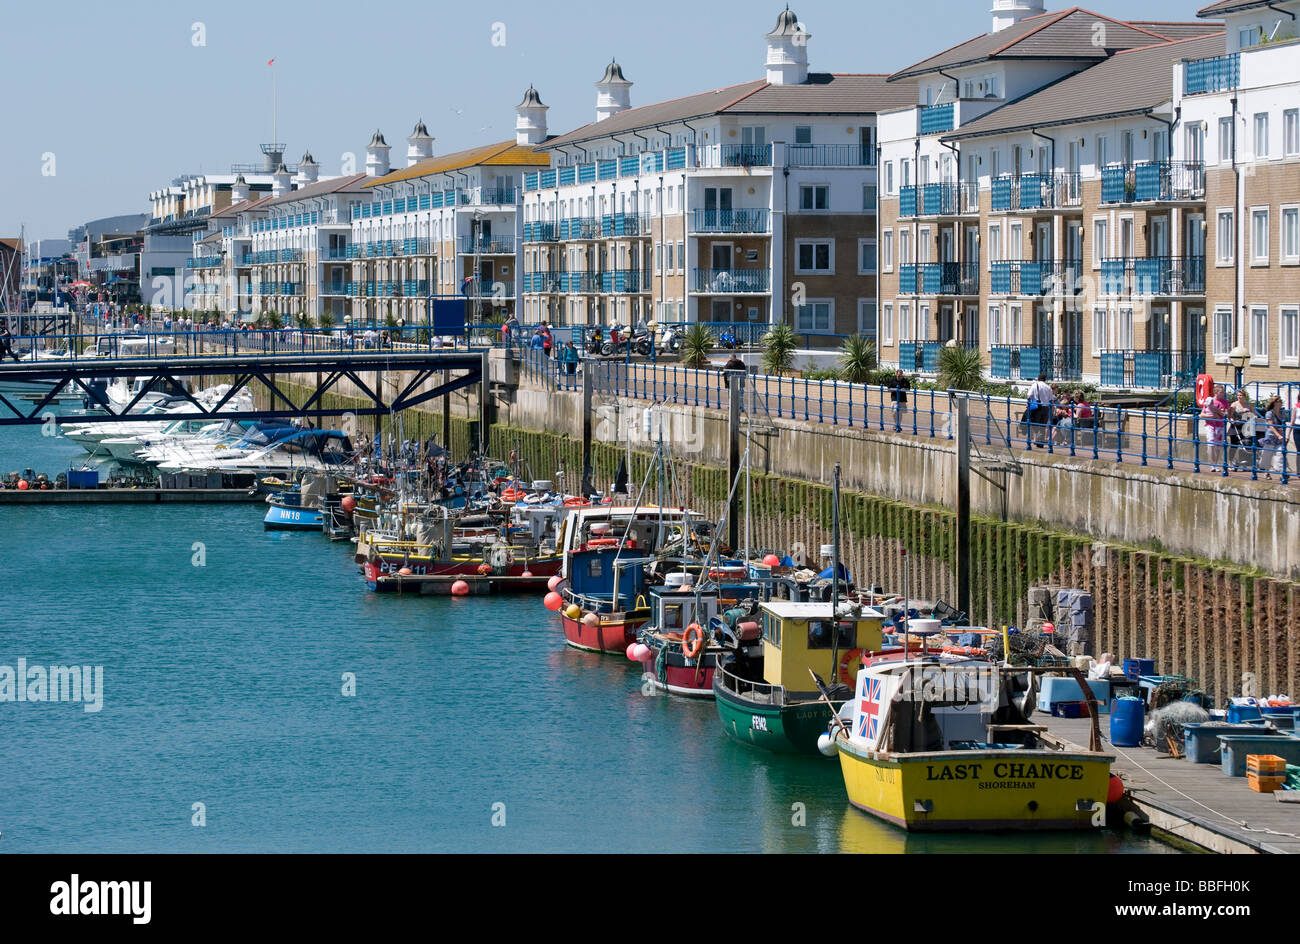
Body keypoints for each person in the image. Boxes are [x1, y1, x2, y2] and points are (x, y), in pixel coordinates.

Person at [1227, 389, 1258, 469]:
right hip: (1236, 427)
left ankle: (1244, 462)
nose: (1239, 397)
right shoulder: (1234, 405)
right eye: (1238, 395)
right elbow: (1230, 416)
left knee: (1246, 444)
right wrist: (1232, 421)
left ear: (1244, 396)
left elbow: (1255, 415)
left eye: (1241, 395)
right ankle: (1230, 463)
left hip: (1245, 427)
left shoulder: (1248, 405)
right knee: (1233, 445)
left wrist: (1252, 417)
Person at [1260, 395, 1288, 479]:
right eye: (1279, 401)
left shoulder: (1282, 413)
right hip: (1271, 437)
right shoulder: (1269, 413)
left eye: (1281, 401)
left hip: (1279, 437)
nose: (1281, 402)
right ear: (1275, 402)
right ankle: (1266, 472)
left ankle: (1281, 473)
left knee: (1280, 454)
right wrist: (1278, 434)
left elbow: (1283, 425)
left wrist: (1283, 433)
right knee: (1267, 455)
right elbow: (1271, 425)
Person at [1202, 383, 1229, 466]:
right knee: (1211, 444)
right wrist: (1211, 416)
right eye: (1221, 392)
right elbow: (1202, 414)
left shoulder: (1225, 402)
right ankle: (1212, 464)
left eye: (1223, 392)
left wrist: (1216, 410)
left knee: (1218, 446)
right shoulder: (1210, 401)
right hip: (1210, 425)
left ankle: (1216, 463)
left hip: (1220, 425)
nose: (1223, 394)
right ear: (1216, 392)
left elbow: (1226, 415)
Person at [1026, 374, 1054, 447]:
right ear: (1045, 379)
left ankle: (1036, 439)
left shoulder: (1034, 385)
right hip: (1045, 408)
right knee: (1043, 425)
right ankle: (1040, 442)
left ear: (1038, 379)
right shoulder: (1048, 387)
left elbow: (1029, 395)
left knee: (1035, 423)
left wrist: (1028, 404)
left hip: (1036, 407)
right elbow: (1051, 399)